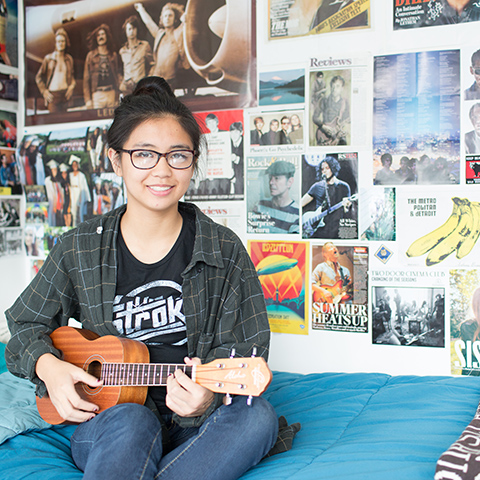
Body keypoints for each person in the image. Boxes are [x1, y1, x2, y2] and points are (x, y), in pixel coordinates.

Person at [5, 76, 286, 480]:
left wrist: (207, 396)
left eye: (177, 155)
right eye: (144, 155)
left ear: (193, 162)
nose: (162, 170)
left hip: (197, 423)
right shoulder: (79, 247)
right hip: (108, 419)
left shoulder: (223, 249)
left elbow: (245, 351)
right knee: (133, 420)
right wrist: (49, 367)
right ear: (116, 160)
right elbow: (24, 323)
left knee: (257, 416)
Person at [134, 3, 190, 91]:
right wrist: (141, 9)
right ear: (162, 19)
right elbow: (149, 22)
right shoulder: (159, 34)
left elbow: (186, 22)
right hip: (154, 79)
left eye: (170, 16)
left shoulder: (178, 33)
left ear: (175, 19)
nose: (167, 18)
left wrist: (184, 19)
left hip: (169, 81)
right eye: (165, 16)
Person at [301, 156, 352, 239]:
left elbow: (347, 211)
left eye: (327, 168)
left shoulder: (344, 186)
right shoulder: (317, 186)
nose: (324, 171)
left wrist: (347, 206)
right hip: (319, 230)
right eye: (322, 169)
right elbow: (300, 204)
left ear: (333, 168)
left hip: (336, 229)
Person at [35, 28, 76, 113]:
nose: (61, 44)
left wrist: (72, 86)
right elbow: (38, 77)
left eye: (63, 41)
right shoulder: (49, 59)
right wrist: (44, 91)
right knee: (54, 119)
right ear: (55, 43)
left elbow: (72, 77)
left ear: (66, 43)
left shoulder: (69, 59)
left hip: (65, 95)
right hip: (53, 96)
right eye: (58, 41)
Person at [253, 160, 299, 234]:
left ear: (289, 182)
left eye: (277, 178)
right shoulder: (260, 205)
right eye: (270, 178)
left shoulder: (297, 213)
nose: (271, 182)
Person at [83, 24, 121, 110]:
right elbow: (86, 79)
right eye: (98, 35)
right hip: (97, 94)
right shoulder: (91, 56)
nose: (101, 37)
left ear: (107, 36)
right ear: (96, 38)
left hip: (111, 93)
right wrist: (88, 99)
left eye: (103, 34)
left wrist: (117, 95)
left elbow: (117, 75)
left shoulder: (113, 55)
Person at [119, 15, 154, 96]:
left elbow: (152, 65)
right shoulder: (122, 51)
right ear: (126, 31)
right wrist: (121, 83)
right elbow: (118, 70)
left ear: (137, 30)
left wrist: (147, 81)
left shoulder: (144, 46)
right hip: (127, 89)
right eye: (129, 29)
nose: (131, 31)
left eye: (134, 28)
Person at [312, 75, 350, 146]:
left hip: (339, 137)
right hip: (324, 136)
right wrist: (323, 127)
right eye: (333, 86)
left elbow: (347, 119)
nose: (334, 89)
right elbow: (314, 118)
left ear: (342, 88)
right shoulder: (324, 100)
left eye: (337, 86)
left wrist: (344, 129)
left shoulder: (345, 102)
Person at [68, 154, 91, 226]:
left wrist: (81, 197)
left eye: (76, 164)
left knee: (80, 212)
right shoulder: (70, 175)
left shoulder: (81, 175)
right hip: (72, 192)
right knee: (74, 212)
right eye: (73, 164)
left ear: (78, 165)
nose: (75, 166)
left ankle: (81, 226)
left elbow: (83, 187)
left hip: (79, 192)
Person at [229, 121, 244, 195]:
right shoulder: (228, 143)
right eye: (231, 133)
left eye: (236, 132)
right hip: (230, 175)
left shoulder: (245, 143)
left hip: (242, 177)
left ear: (241, 132)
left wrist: (237, 159)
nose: (233, 135)